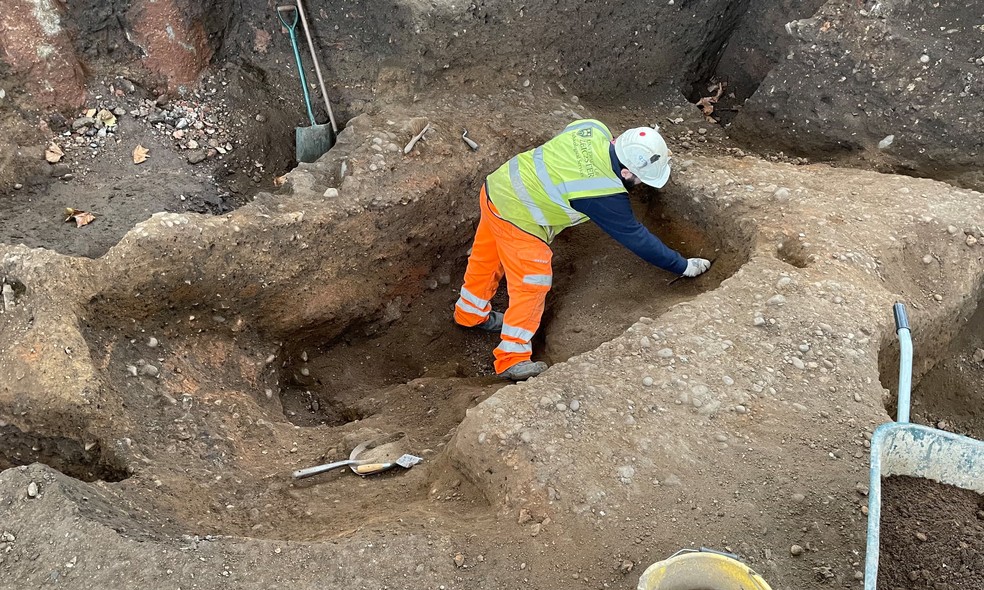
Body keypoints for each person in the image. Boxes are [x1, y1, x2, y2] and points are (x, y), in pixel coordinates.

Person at [453, 119, 711, 381]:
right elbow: (637, 238)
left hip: (497, 188)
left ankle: (470, 313)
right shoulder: (603, 194)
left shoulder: (593, 128)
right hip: (519, 217)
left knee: (487, 258)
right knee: (533, 281)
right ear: (625, 173)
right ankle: (512, 357)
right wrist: (682, 266)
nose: (641, 184)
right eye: (640, 179)